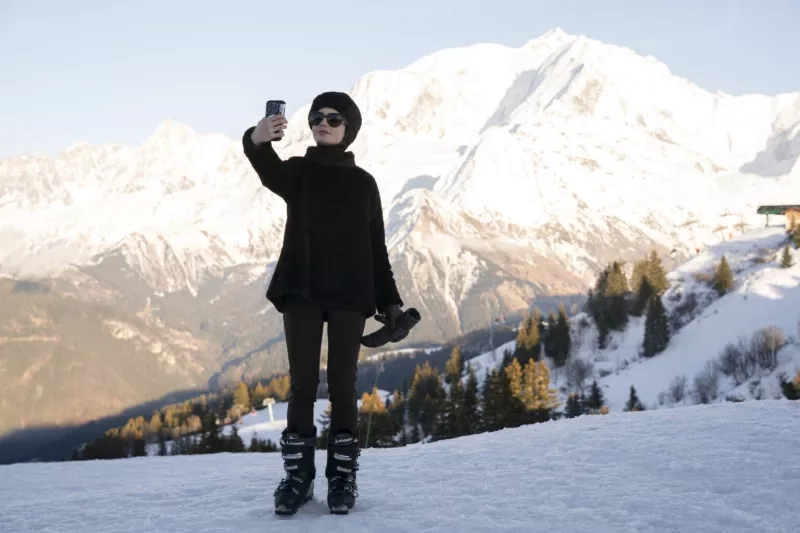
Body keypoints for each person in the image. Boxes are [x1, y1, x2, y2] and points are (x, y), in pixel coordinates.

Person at [242, 91, 405, 515]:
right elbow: (264, 166)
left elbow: (377, 250)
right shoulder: (296, 172)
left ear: (349, 127)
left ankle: (342, 479)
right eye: (317, 116)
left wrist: (390, 305)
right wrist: (257, 138)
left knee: (343, 386)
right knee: (301, 386)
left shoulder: (364, 183)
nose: (323, 122)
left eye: (334, 118)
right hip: (302, 289)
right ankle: (298, 478)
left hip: (351, 295)